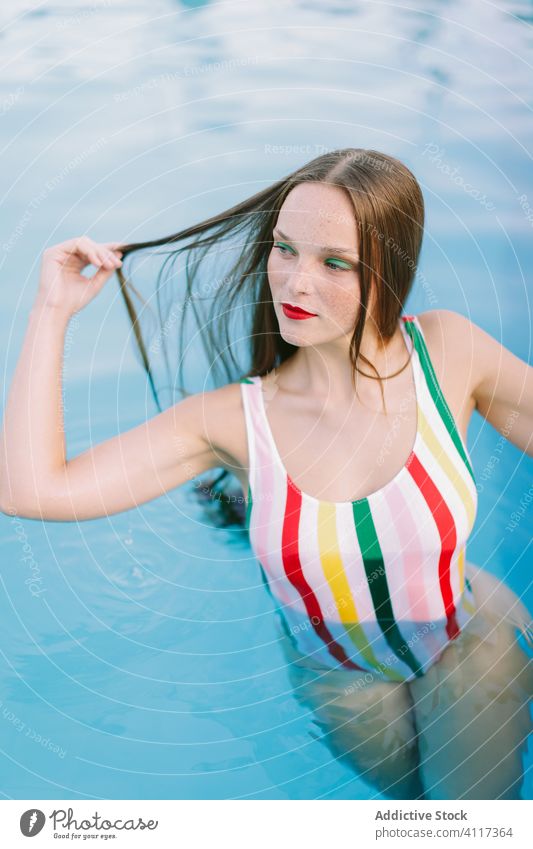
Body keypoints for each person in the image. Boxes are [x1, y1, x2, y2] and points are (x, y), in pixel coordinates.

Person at [1, 148, 532, 800]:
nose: (295, 282)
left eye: (334, 262)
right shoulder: (227, 423)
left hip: (464, 642)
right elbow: (30, 491)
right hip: (344, 684)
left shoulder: (448, 353)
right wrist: (50, 311)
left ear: (388, 270)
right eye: (285, 249)